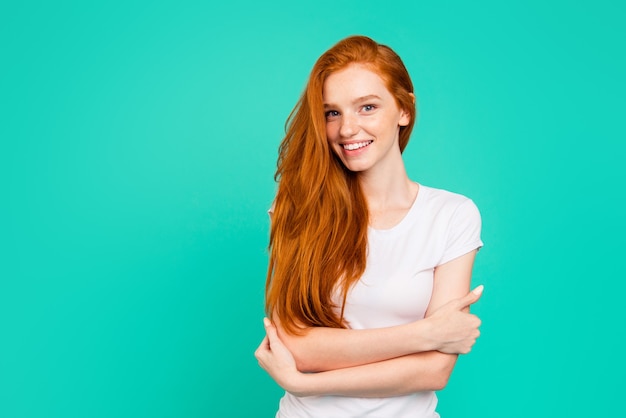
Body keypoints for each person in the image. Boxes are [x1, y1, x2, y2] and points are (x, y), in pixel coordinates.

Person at [255, 35, 484, 418]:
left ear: (404, 110)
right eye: (332, 113)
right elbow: (295, 346)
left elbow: (435, 369)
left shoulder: (452, 215)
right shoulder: (297, 207)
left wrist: (304, 382)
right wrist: (423, 334)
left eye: (367, 107)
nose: (347, 129)